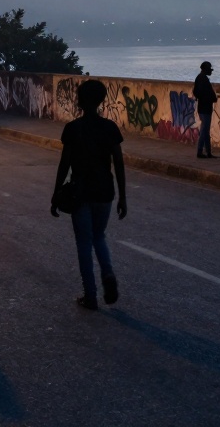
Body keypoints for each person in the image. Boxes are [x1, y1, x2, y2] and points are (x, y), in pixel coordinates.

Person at [51, 79, 127, 311]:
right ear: (102, 100)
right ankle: (108, 272)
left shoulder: (73, 129)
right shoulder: (110, 128)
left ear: (81, 101)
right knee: (99, 236)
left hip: (80, 191)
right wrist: (123, 196)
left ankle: (90, 295)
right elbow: (119, 163)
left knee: (84, 242)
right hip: (105, 190)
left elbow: (64, 165)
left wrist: (55, 193)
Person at [194, 61, 217, 159]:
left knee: (206, 130)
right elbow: (204, 93)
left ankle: (208, 152)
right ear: (205, 69)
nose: (211, 71)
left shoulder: (201, 78)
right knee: (204, 130)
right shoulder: (202, 79)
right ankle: (200, 151)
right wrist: (211, 98)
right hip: (205, 108)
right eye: (209, 69)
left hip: (204, 107)